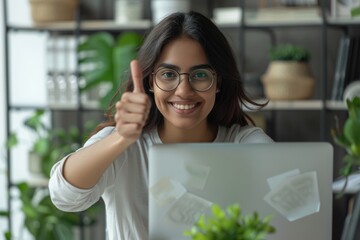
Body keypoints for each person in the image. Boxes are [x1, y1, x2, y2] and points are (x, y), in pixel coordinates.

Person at [48, 11, 273, 240]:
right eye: (168, 74)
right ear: (150, 82)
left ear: (218, 83)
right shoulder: (122, 144)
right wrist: (121, 139)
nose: (184, 90)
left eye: (200, 74)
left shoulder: (243, 143)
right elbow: (64, 196)